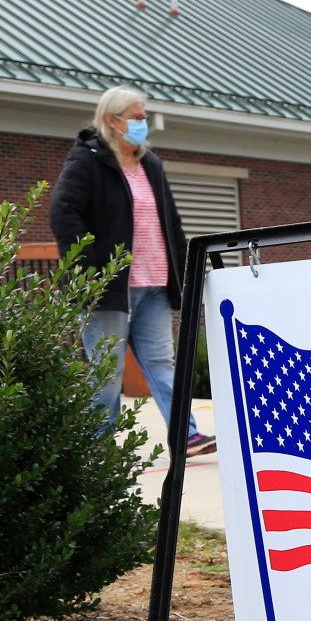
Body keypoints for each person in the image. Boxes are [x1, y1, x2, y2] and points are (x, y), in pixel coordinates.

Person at [50, 86, 214, 454]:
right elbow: (63, 214)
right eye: (137, 118)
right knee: (106, 375)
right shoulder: (87, 160)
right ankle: (99, 447)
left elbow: (170, 222)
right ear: (113, 120)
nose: (143, 124)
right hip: (109, 289)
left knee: (163, 364)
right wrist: (91, 271)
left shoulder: (150, 164)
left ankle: (185, 436)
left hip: (154, 283)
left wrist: (186, 270)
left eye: (144, 117)